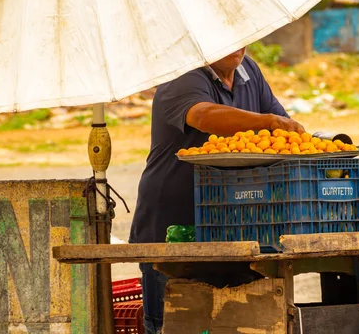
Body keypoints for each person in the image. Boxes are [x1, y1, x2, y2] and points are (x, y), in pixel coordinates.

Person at [128, 46, 305, 333]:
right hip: (172, 229)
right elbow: (203, 116)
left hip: (231, 228)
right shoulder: (182, 74)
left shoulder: (248, 71)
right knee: (173, 324)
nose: (237, 45)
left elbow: (282, 130)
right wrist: (268, 122)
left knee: (238, 323)